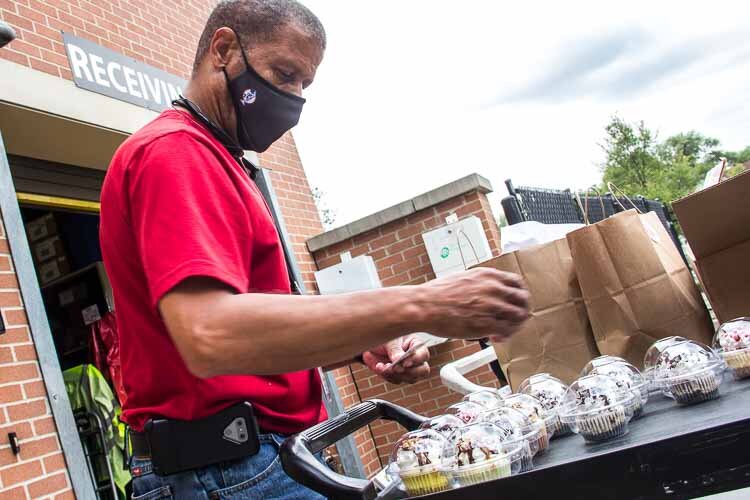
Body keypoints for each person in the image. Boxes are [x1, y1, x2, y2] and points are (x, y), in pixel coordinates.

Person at [99, 0, 530, 498]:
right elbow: (211, 335)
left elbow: (252, 337)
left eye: (305, 84)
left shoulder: (222, 161)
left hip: (258, 461)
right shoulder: (174, 152)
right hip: (228, 472)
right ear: (223, 50)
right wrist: (423, 303)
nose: (295, 98)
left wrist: (362, 341)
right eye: (285, 74)